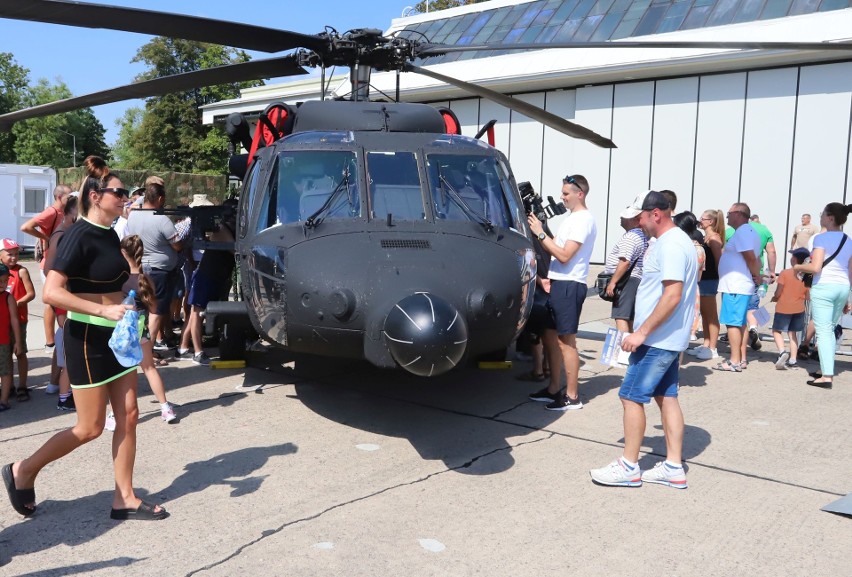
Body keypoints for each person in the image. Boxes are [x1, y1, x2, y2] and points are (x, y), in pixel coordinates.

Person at [2, 155, 168, 521]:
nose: (127, 198)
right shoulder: (77, 234)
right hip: (88, 337)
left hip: (117, 337)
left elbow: (110, 282)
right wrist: (104, 311)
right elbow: (52, 294)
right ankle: (22, 470)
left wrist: (138, 285)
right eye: (120, 192)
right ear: (96, 196)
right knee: (90, 427)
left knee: (129, 414)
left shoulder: (111, 234)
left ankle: (124, 497)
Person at [589, 190, 698, 488]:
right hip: (667, 339)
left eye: (641, 217)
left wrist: (641, 333)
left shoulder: (672, 245)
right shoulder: (670, 242)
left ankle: (629, 466)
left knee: (630, 396)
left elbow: (673, 295)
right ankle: (673, 466)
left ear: (656, 214)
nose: (638, 223)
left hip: (657, 340)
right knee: (667, 397)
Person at [527, 174, 596, 411]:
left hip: (570, 285)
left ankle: (572, 396)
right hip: (558, 283)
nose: (561, 197)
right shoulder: (572, 219)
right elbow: (555, 245)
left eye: (566, 193)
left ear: (580, 194)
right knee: (550, 336)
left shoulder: (583, 220)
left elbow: (564, 255)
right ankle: (554, 388)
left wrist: (540, 233)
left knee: (566, 342)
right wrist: (541, 230)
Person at [792, 203, 852, 388]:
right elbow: (850, 272)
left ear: (830, 218)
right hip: (842, 286)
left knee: (824, 331)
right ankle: (827, 368)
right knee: (830, 329)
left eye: (823, 214)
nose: (820, 217)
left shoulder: (821, 239)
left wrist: (797, 267)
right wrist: (847, 297)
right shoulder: (848, 240)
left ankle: (827, 376)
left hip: (824, 286)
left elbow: (815, 267)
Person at [176, 203, 237, 366]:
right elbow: (236, 250)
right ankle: (198, 352)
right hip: (206, 276)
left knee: (194, 314)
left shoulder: (227, 228)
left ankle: (182, 348)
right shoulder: (223, 228)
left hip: (215, 276)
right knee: (196, 313)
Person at [126, 182, 183, 353]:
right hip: (159, 272)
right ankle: (147, 351)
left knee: (142, 310)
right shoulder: (162, 220)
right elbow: (178, 245)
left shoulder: (133, 216)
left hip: (140, 268)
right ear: (159, 199)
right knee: (156, 312)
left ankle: (140, 346)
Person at [20, 184, 71, 353]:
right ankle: (50, 342)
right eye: (67, 196)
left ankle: (58, 339)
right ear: (59, 197)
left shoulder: (65, 212)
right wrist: (45, 237)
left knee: (58, 301)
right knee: (51, 301)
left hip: (60, 262)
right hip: (50, 264)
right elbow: (26, 226)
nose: (70, 199)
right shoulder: (51, 212)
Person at [42, 195, 79, 407]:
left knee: (63, 340)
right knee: (67, 341)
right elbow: (50, 270)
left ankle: (55, 383)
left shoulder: (64, 233)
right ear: (72, 214)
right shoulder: (63, 235)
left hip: (65, 297)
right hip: (65, 298)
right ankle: (64, 394)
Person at [715, 203, 762, 372]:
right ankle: (740, 359)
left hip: (736, 285)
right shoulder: (747, 232)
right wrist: (757, 274)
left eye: (729, 213)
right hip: (737, 284)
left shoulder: (743, 232)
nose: (727, 216)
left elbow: (750, 258)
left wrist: (756, 275)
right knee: (739, 323)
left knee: (733, 324)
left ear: (739, 214)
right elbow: (756, 258)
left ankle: (734, 361)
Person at [602, 202, 647, 334]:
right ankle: (629, 348)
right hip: (633, 279)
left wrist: (613, 282)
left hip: (626, 280)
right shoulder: (641, 235)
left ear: (633, 220)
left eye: (624, 217)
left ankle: (623, 350)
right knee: (629, 316)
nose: (621, 219)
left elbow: (624, 262)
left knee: (621, 315)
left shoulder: (631, 237)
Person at [687, 209, 725, 360]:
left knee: (711, 315)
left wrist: (719, 279)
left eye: (702, 218)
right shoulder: (706, 237)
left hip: (710, 280)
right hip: (703, 279)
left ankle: (713, 348)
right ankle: (706, 344)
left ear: (710, 222)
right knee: (704, 314)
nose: (700, 221)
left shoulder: (715, 239)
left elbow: (719, 261)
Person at [1, 239, 34, 401]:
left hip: (18, 319)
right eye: (9, 254)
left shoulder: (22, 271)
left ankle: (22, 385)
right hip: (3, 321)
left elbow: (31, 293)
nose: (13, 257)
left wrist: (16, 304)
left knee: (20, 351)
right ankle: (9, 386)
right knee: (5, 354)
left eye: (16, 254)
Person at [771, 248, 809, 369]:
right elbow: (808, 296)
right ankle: (793, 360)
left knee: (776, 331)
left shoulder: (785, 273)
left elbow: (778, 292)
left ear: (795, 259)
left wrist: (775, 297)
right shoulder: (807, 276)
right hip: (799, 308)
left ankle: (782, 352)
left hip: (783, 307)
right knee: (792, 334)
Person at [744, 216, 778, 354]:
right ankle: (753, 327)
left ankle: (735, 333)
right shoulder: (765, 230)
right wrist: (772, 271)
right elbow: (771, 252)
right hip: (756, 272)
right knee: (752, 305)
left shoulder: (736, 229)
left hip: (738, 273)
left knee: (737, 303)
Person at [672, 212, 705, 343]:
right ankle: (692, 332)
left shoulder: (679, 246)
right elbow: (700, 274)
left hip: (678, 286)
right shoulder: (699, 248)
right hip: (694, 286)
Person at [0, 263, 23, 412]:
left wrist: (18, 342)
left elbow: (15, 320)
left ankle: (4, 400)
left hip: (4, 341)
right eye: (0, 281)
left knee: (6, 370)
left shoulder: (8, 298)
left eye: (5, 280)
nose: (3, 284)